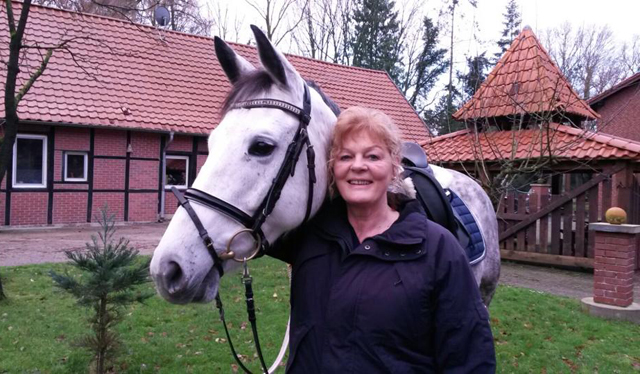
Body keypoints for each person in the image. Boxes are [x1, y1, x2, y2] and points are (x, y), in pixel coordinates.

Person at [268, 106, 496, 373]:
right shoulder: (307, 238)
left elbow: (470, 360)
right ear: (332, 168)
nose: (358, 166)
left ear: (394, 166)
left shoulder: (440, 250)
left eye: (373, 156)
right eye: (345, 156)